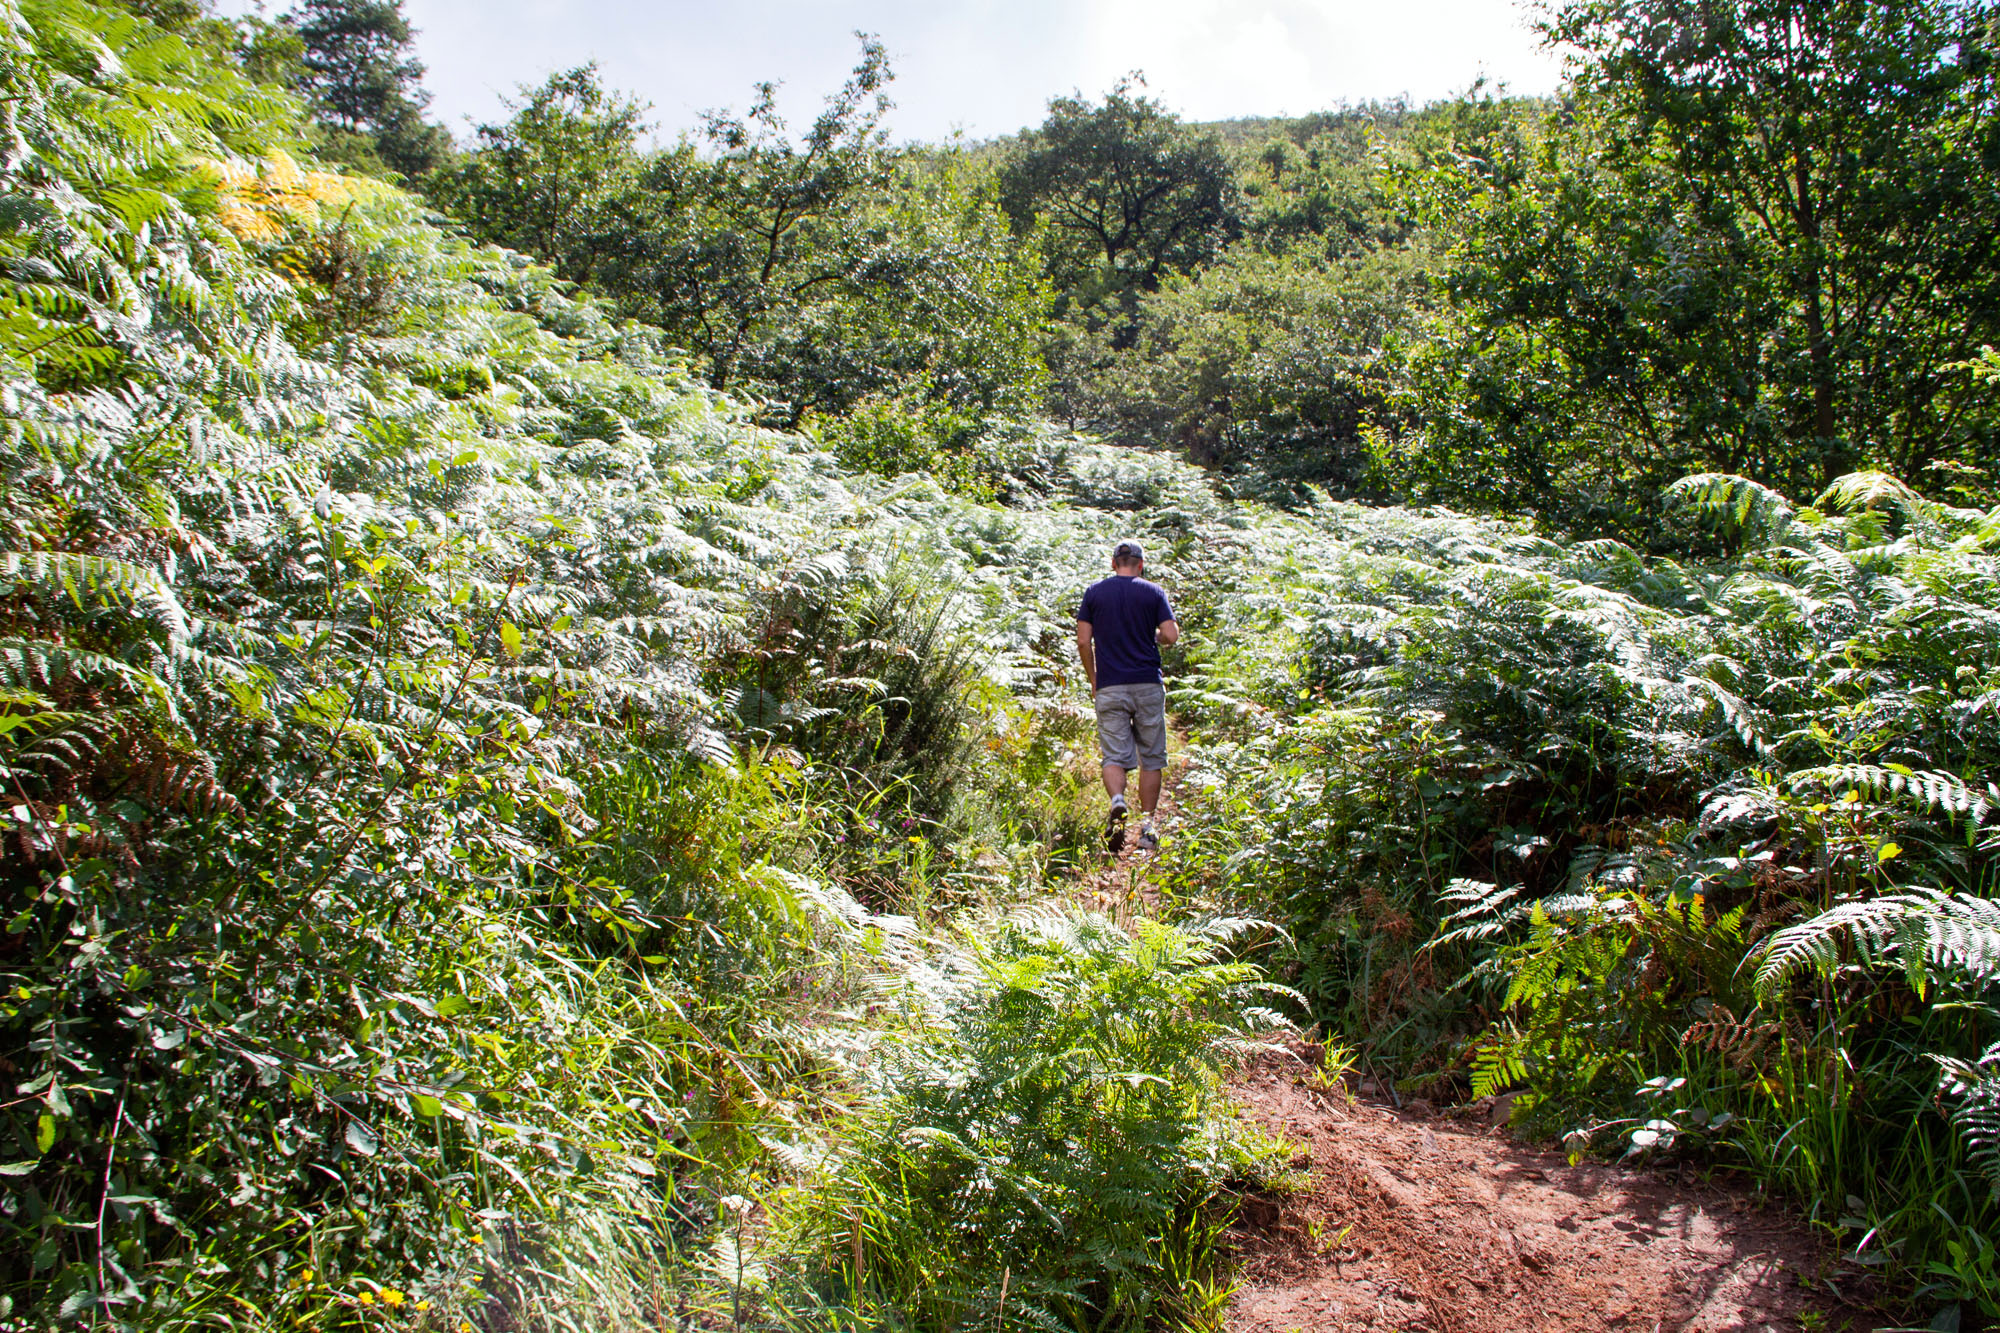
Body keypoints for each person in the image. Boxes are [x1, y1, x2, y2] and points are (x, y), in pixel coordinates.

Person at [1076, 539, 1179, 852]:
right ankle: (1147, 828)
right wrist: (1155, 634)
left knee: (1114, 756)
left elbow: (1083, 641)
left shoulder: (1095, 593)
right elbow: (1171, 636)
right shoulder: (1152, 592)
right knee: (1151, 758)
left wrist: (1094, 680)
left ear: (1113, 564)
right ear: (1140, 565)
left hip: (1110, 686)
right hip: (1147, 684)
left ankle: (1118, 801)